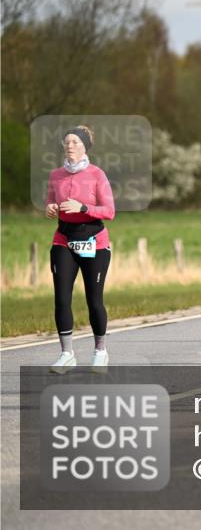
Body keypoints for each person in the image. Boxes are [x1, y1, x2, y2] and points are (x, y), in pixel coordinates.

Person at [45, 126, 116, 374]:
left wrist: (84, 208)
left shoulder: (97, 174)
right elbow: (50, 201)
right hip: (63, 239)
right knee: (62, 298)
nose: (70, 146)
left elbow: (109, 211)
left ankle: (100, 352)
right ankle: (66, 354)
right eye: (67, 142)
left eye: (75, 142)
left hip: (94, 241)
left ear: (85, 146)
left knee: (93, 300)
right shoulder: (56, 175)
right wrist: (51, 208)